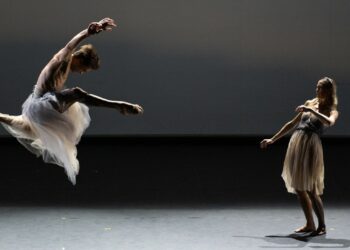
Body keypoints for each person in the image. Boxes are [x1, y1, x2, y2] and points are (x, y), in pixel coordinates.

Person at [0, 18, 143, 185]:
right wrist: (87, 33)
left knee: (21, 124)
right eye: (84, 69)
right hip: (40, 106)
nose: (82, 73)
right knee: (77, 93)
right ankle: (120, 105)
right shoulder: (63, 59)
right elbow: (69, 47)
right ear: (80, 59)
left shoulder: (67, 66)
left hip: (39, 109)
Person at [260, 77, 339, 236]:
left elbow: (329, 122)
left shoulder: (331, 109)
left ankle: (321, 225)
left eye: (320, 88)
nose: (317, 90)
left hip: (311, 145)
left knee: (311, 188)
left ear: (328, 90)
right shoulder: (309, 102)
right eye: (316, 87)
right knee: (299, 186)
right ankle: (310, 223)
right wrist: (273, 139)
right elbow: (292, 123)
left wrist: (311, 111)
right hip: (297, 143)